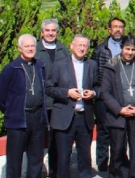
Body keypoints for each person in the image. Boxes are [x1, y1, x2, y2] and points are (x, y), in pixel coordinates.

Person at [45, 34, 99, 178]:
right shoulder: (59, 65)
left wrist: (93, 93)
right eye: (79, 45)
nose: (81, 48)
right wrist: (67, 93)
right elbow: (49, 88)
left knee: (84, 155)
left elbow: (99, 87)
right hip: (64, 117)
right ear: (71, 46)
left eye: (84, 46)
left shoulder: (92, 65)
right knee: (63, 156)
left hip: (84, 117)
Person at [0, 34, 48, 178]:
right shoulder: (11, 68)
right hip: (18, 120)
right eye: (27, 46)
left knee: (36, 158)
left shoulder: (40, 66)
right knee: (14, 160)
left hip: (37, 118)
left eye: (32, 46)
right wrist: (11, 111)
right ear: (20, 49)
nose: (30, 49)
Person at [101, 36, 135, 178]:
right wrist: (119, 109)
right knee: (117, 150)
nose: (130, 52)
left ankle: (134, 175)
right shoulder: (111, 66)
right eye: (127, 49)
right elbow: (105, 92)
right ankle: (116, 175)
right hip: (117, 115)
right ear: (121, 48)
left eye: (133, 49)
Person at [34, 19, 69, 178]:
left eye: (53, 30)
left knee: (56, 140)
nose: (50, 33)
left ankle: (54, 171)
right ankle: (38, 170)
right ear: (42, 32)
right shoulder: (35, 50)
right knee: (38, 140)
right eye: (47, 30)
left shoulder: (63, 50)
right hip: (41, 104)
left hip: (59, 103)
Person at [91, 17, 127, 172]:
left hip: (123, 96)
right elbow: (94, 74)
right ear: (109, 30)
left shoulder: (128, 46)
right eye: (115, 27)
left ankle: (120, 159)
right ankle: (102, 162)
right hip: (103, 96)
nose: (118, 29)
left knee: (122, 129)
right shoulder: (100, 50)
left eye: (120, 27)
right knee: (104, 130)